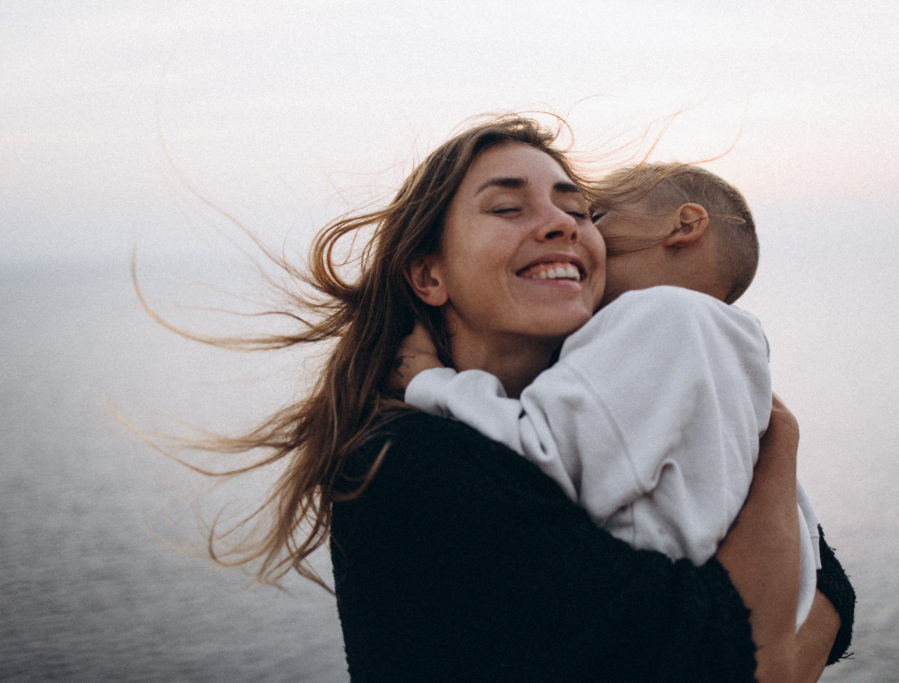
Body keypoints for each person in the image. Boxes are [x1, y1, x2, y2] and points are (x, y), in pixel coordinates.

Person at [178, 114, 853, 680]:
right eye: (508, 207)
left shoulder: (615, 390)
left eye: (580, 209)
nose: (563, 223)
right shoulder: (410, 467)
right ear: (430, 274)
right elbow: (742, 652)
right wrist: (778, 453)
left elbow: (831, 594)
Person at [393, 163, 826, 631]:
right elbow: (806, 553)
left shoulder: (661, 313)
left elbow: (536, 457)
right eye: (507, 209)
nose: (577, 232)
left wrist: (428, 380)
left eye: (591, 215)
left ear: (684, 226)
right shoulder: (735, 357)